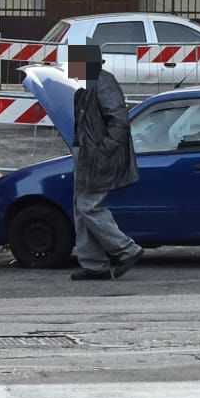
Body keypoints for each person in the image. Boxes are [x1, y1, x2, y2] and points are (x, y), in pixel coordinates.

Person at [68, 44, 145, 281]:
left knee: (88, 206)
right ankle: (94, 264)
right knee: (81, 207)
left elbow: (119, 121)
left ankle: (126, 249)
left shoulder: (103, 82)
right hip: (88, 154)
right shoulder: (86, 84)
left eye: (74, 62)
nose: (71, 67)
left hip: (99, 156)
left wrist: (104, 150)